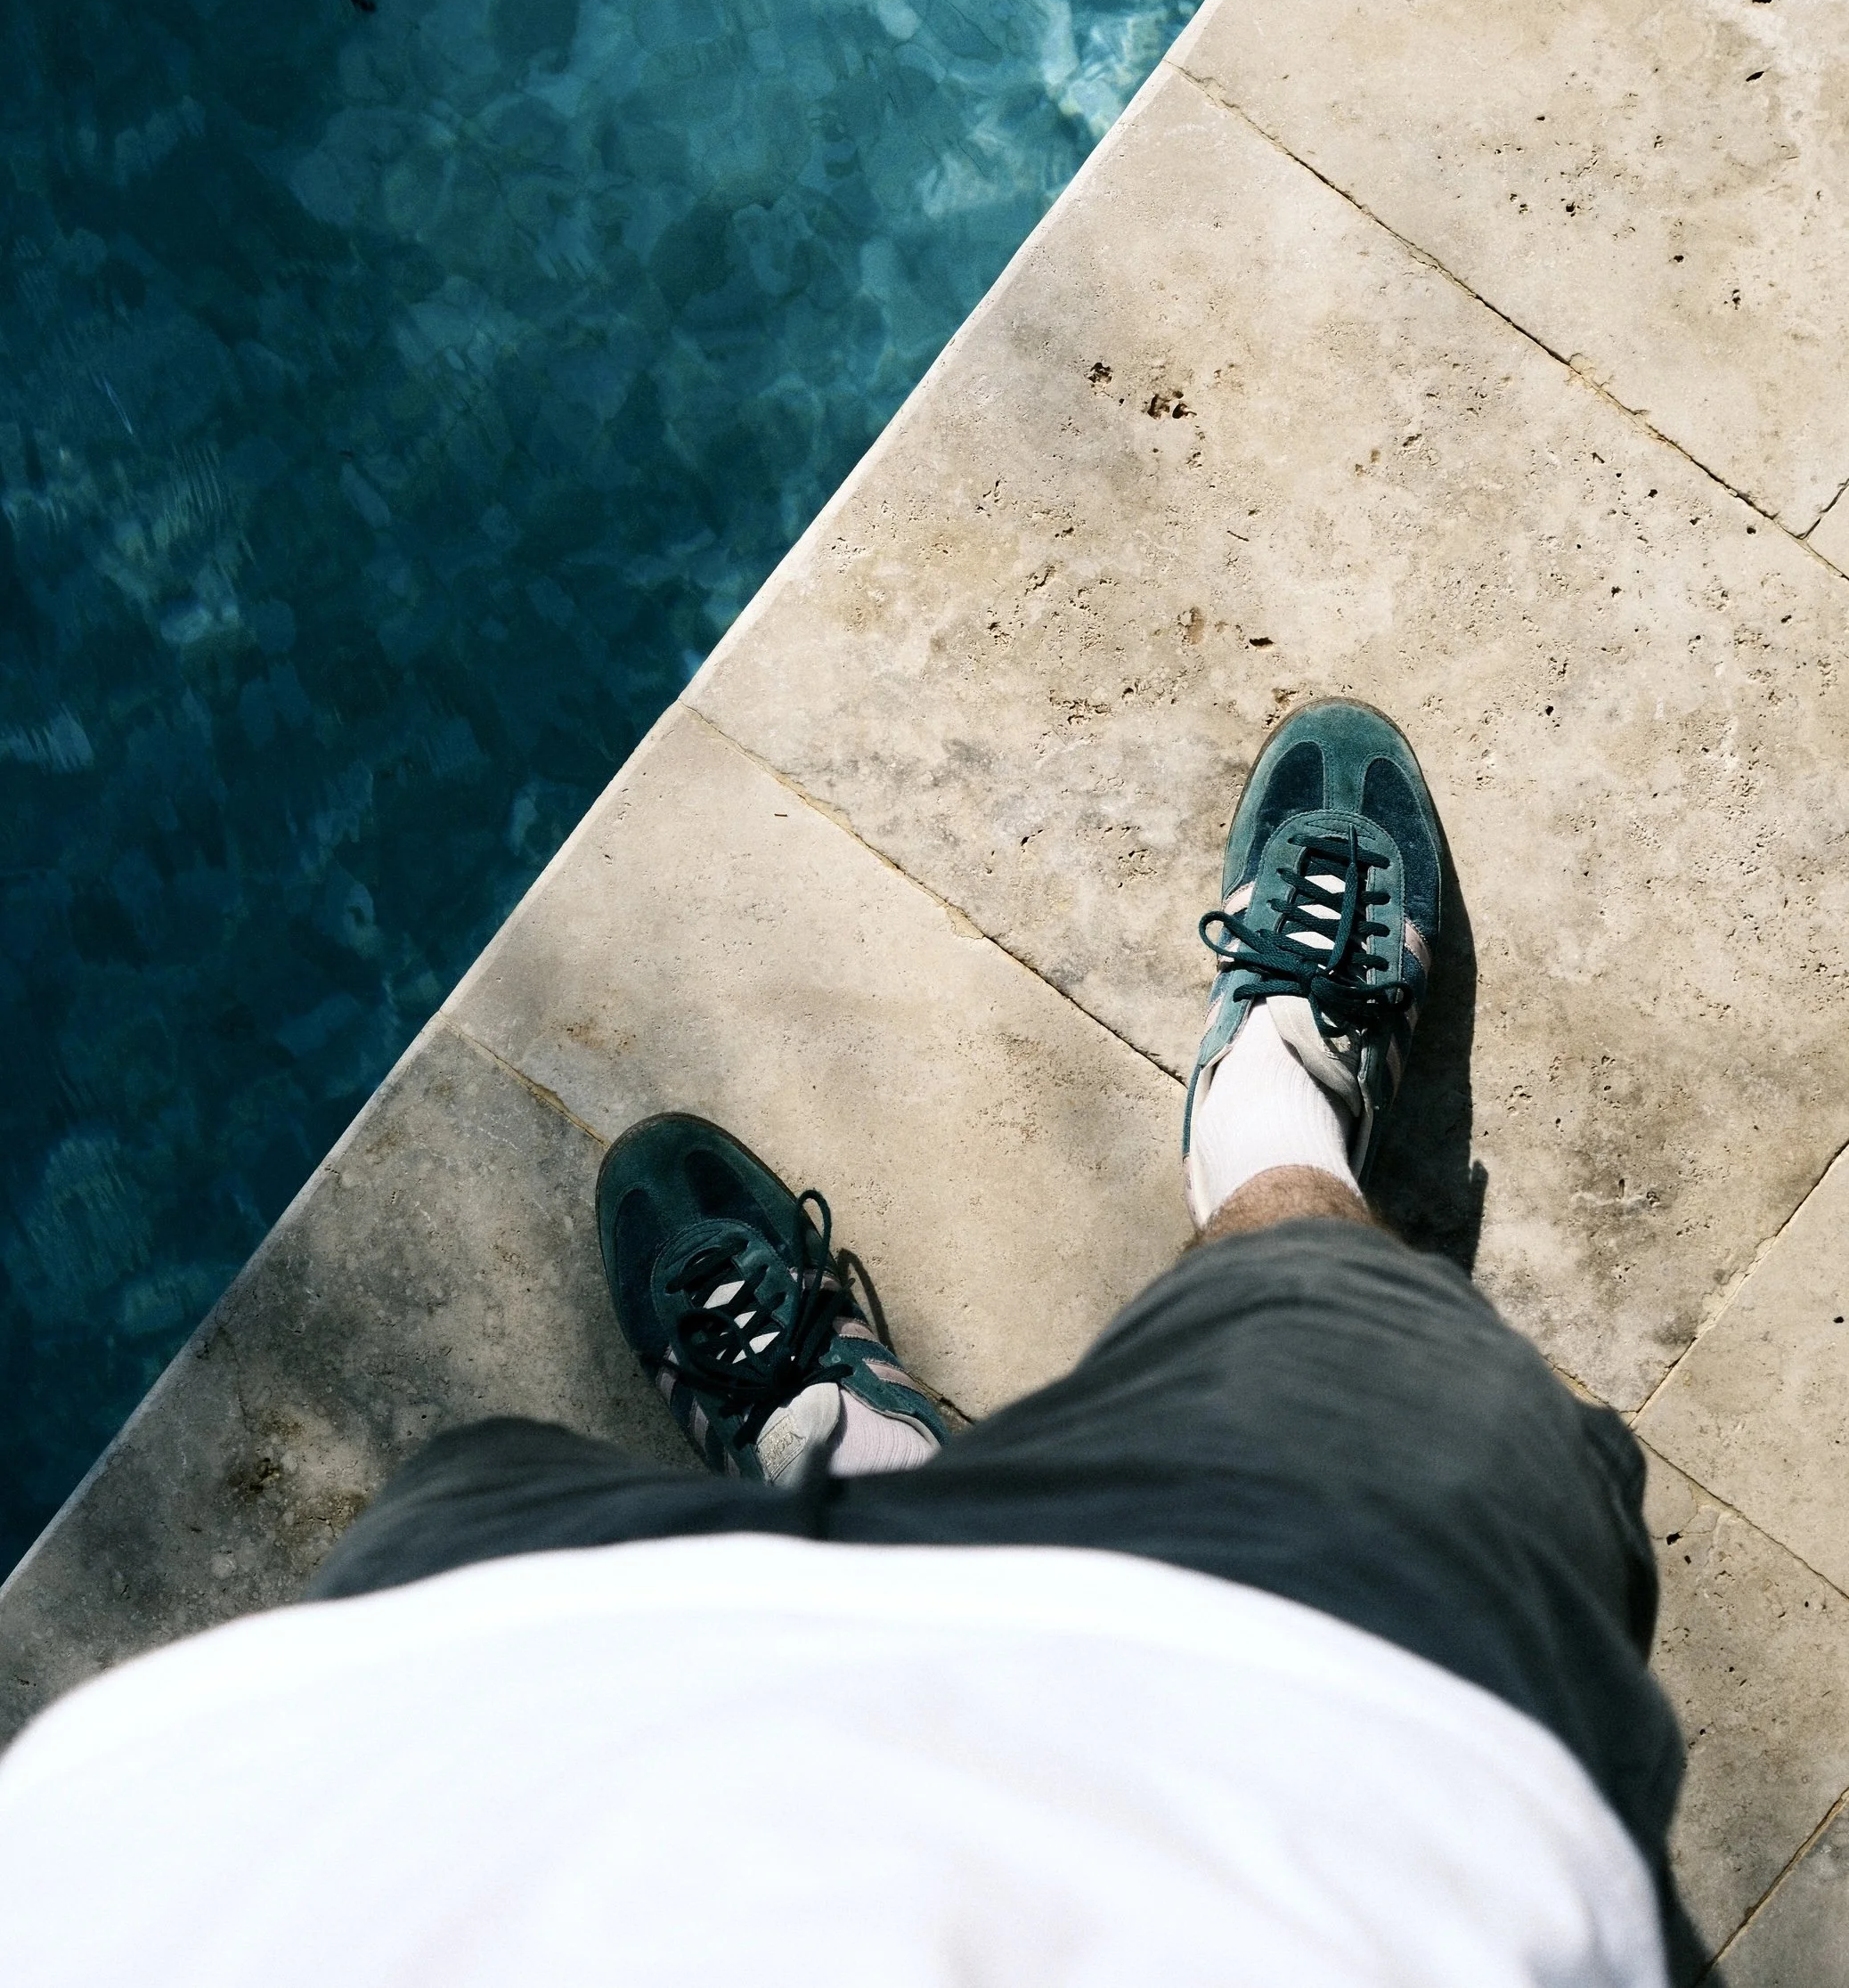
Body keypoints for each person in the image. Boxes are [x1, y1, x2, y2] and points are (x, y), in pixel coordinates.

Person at [0, 702, 1682, 1986]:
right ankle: (1281, 1105)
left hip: (371, 1820)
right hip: (1333, 1825)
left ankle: (862, 1454)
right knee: (1406, 1393)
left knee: (459, 1508)